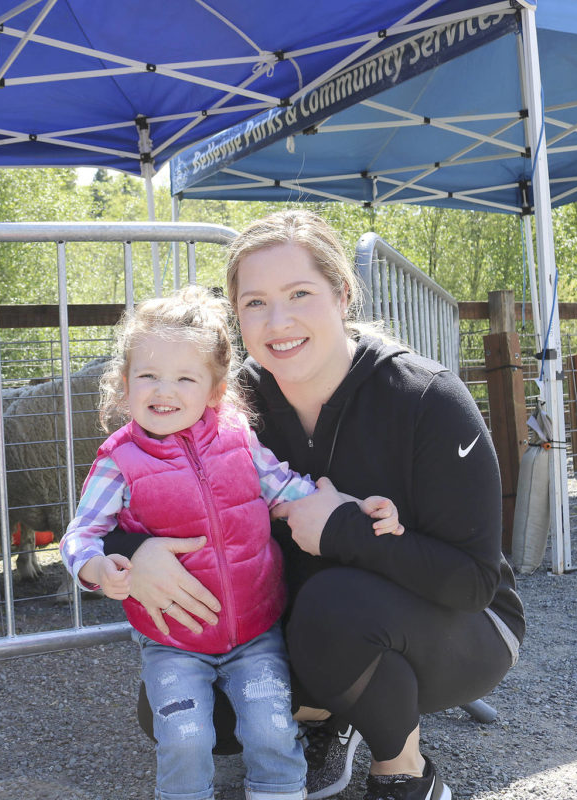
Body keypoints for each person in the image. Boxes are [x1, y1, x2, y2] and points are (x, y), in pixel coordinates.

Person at [103, 210, 525, 800]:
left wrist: (343, 529)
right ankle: (332, 712)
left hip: (460, 624)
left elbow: (473, 582)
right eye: (255, 302)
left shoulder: (427, 397)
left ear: (342, 293)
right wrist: (135, 550)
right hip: (304, 629)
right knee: (176, 711)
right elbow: (125, 499)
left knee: (334, 605)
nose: (278, 322)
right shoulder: (226, 408)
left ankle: (404, 772)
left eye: (299, 293)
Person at [61, 284, 404, 800]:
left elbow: (287, 490)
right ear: (125, 384)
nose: (164, 391)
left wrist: (353, 507)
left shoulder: (239, 438)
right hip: (173, 641)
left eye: (185, 378)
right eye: (148, 376)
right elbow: (81, 534)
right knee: (184, 738)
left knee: (271, 732)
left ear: (214, 390)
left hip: (257, 631)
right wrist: (96, 569)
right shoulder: (119, 461)